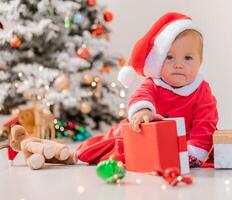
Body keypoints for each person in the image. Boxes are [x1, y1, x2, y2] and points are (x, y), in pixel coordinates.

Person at [76, 12, 218, 167]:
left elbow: (205, 122)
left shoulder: (201, 90)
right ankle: (75, 153)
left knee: (209, 146)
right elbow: (141, 96)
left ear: (200, 61)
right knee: (115, 145)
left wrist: (195, 152)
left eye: (188, 58)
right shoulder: (154, 84)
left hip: (184, 143)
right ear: (158, 60)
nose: (179, 64)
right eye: (169, 57)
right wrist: (143, 111)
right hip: (147, 135)